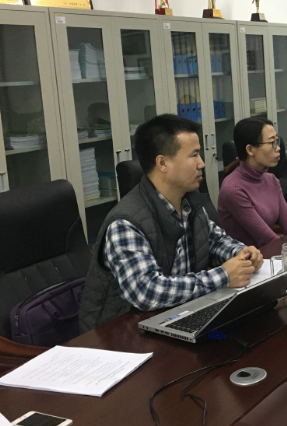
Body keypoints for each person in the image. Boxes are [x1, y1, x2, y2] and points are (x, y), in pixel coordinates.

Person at [78, 114, 263, 333]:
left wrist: (242, 254)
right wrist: (223, 276)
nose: (202, 163)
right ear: (162, 163)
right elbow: (146, 291)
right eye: (193, 155)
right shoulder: (126, 222)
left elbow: (214, 241)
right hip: (120, 335)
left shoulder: (189, 202)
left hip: (175, 317)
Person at [217, 118, 287, 247]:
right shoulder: (233, 189)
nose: (278, 148)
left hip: (270, 253)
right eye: (272, 142)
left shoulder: (271, 180)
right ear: (250, 150)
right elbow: (266, 239)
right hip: (246, 257)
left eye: (277, 141)